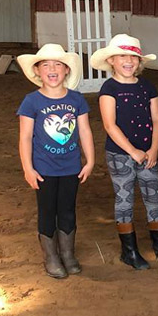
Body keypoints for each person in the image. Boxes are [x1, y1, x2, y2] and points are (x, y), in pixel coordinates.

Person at [90, 34, 158, 270]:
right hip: (120, 154)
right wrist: (133, 151)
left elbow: (157, 118)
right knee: (124, 199)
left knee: (153, 197)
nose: (129, 61)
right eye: (122, 56)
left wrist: (153, 149)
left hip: (148, 153)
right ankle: (129, 250)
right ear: (112, 61)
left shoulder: (147, 86)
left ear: (139, 61)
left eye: (133, 57)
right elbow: (109, 125)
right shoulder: (109, 88)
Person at [17, 44, 94, 279]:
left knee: (68, 209)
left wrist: (90, 160)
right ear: (38, 71)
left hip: (70, 167)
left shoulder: (76, 99)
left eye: (58, 64)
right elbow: (25, 137)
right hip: (43, 169)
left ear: (66, 71)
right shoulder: (31, 102)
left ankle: (68, 254)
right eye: (46, 65)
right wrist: (28, 168)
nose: (52, 69)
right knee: (48, 209)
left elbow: (84, 130)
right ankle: (51, 256)